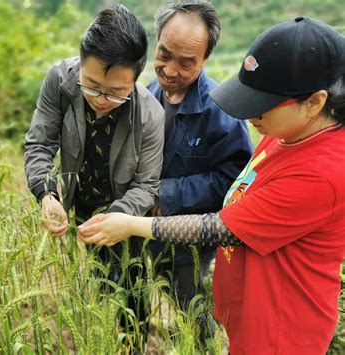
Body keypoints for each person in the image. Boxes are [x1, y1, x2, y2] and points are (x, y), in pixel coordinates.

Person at [79, 16, 345, 354]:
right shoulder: (285, 135)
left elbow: (220, 229)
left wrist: (132, 222)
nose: (250, 118)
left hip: (280, 330)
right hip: (249, 313)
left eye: (261, 107)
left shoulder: (322, 173)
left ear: (315, 102)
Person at [24, 4, 164, 340]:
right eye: (91, 85)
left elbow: (146, 185)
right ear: (80, 63)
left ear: (136, 77)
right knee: (98, 284)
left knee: (131, 286)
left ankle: (134, 340)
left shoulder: (149, 115)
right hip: (79, 200)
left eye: (116, 92)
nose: (100, 99)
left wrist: (116, 220)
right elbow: (40, 145)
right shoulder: (59, 81)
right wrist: (47, 194)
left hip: (123, 212)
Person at [147, 1, 253, 310]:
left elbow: (235, 182)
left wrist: (164, 194)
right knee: (132, 302)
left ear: (205, 59)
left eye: (185, 62)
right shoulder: (150, 91)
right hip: (141, 228)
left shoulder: (219, 111)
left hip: (188, 241)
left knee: (189, 309)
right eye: (164, 54)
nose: (169, 70)